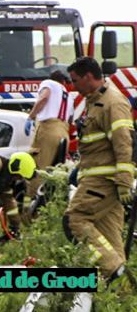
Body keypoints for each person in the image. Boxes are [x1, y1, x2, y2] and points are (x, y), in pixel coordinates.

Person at [65, 57, 135, 285]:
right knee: (110, 239)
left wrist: (124, 181)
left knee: (75, 219)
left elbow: (124, 144)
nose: (73, 86)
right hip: (95, 176)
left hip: (103, 179)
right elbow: (97, 145)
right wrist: (78, 168)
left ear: (88, 76)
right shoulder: (94, 102)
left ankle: (112, 269)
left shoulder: (112, 102)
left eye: (75, 80)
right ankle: (122, 295)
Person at [23, 70, 72, 215]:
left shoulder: (48, 83)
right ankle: (53, 210)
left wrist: (31, 117)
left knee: (36, 171)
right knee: (56, 175)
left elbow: (44, 98)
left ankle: (27, 214)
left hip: (48, 129)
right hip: (64, 132)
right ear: (64, 82)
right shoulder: (68, 95)